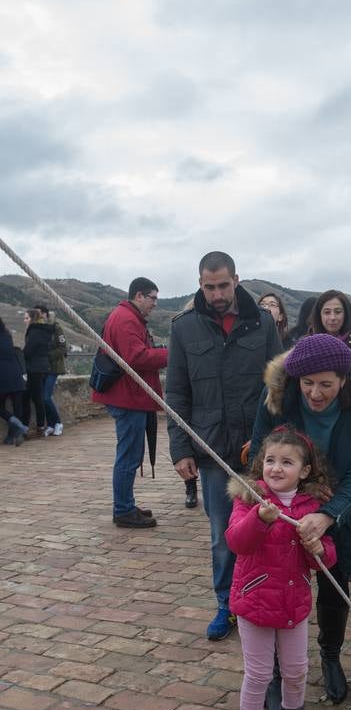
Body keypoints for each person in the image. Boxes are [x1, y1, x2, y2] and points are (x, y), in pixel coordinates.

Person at [251, 333, 351, 707]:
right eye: (308, 384)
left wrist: (327, 514)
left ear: (344, 380)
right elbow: (262, 458)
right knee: (277, 583)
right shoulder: (276, 400)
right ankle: (276, 671)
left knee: (334, 581)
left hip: (341, 508)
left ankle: (330, 654)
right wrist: (290, 507)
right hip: (287, 506)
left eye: (326, 384)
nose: (316, 394)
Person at [166, 251, 282, 641]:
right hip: (211, 447)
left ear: (236, 280)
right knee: (222, 535)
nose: (216, 294)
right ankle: (226, 605)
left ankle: (262, 599)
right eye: (208, 286)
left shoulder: (263, 324)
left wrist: (270, 439)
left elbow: (278, 387)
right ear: (200, 284)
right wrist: (180, 449)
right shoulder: (183, 329)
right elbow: (177, 392)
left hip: (258, 451)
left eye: (223, 285)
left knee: (267, 528)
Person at [225, 426, 337, 710]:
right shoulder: (249, 499)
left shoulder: (313, 507)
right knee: (258, 673)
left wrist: (319, 548)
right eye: (270, 460)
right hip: (256, 601)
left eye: (286, 462)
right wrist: (259, 519)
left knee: (296, 670)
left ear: (304, 471)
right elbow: (237, 542)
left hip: (294, 601)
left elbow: (323, 558)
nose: (276, 468)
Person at [91, 277, 168, 528]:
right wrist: (171, 353)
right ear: (138, 296)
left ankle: (125, 503)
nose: (155, 303)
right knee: (128, 456)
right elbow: (137, 356)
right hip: (128, 398)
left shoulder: (126, 317)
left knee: (130, 454)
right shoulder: (126, 319)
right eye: (152, 298)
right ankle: (123, 509)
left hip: (129, 396)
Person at [310, 290, 351, 364]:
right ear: (319, 315)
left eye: (338, 312)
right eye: (327, 312)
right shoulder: (307, 345)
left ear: (346, 314)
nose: (332, 317)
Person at [34, 304, 67, 436]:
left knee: (47, 397)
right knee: (42, 398)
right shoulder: (38, 329)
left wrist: (47, 355)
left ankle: (58, 423)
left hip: (54, 367)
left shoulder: (56, 328)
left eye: (39, 313)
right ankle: (51, 425)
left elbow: (63, 348)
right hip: (42, 368)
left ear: (45, 314)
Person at [22, 308, 52, 436]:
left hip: (33, 368)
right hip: (42, 367)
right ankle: (40, 426)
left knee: (28, 398)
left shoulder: (34, 332)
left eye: (27, 318)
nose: (25, 321)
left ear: (32, 319)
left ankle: (26, 427)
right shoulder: (43, 331)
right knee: (37, 397)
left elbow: (28, 351)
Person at [0, 317, 28, 446]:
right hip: (16, 375)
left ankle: (18, 427)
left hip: (3, 377)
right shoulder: (7, 335)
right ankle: (13, 436)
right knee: (18, 409)